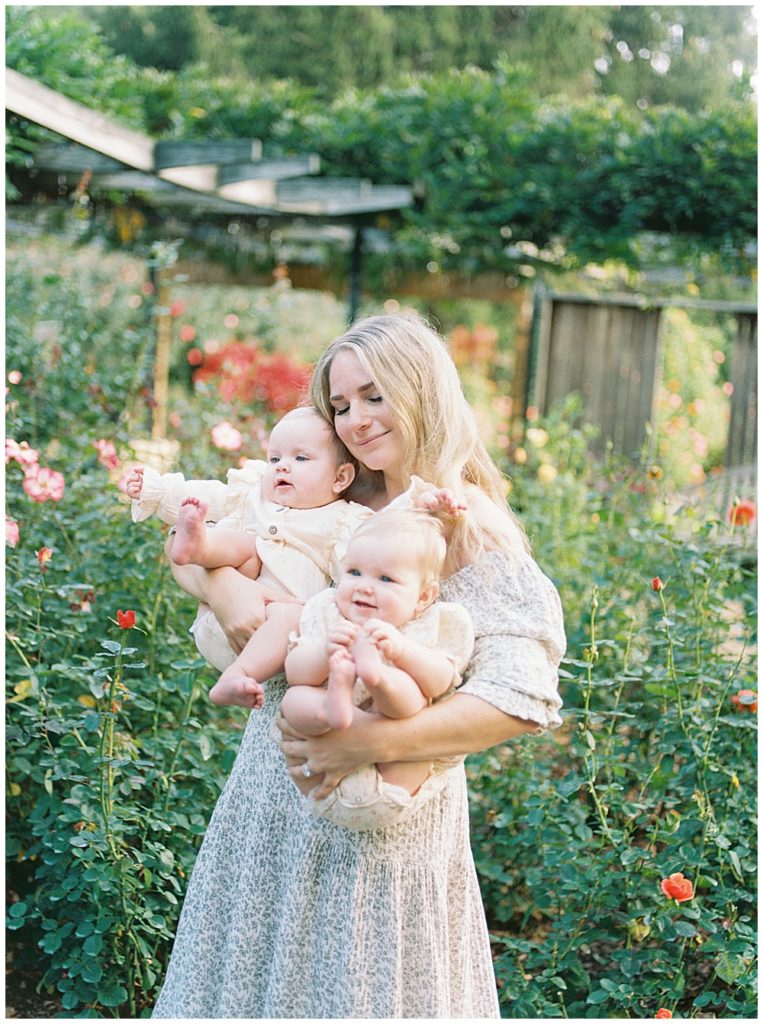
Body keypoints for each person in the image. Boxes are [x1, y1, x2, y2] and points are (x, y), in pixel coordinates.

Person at [152, 313, 565, 1019]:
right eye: (340, 405)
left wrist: (366, 742)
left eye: (375, 396)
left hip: (382, 830)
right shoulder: (332, 493)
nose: (355, 421)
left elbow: (517, 697)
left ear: (422, 391)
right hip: (272, 801)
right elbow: (201, 546)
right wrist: (224, 592)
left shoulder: (465, 530)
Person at [126, 406, 373, 705]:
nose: (282, 466)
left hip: (278, 640)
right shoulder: (253, 493)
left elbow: (362, 564)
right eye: (275, 458)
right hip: (217, 617)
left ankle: (238, 675)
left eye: (301, 458)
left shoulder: (341, 523)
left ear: (340, 477)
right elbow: (203, 495)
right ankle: (200, 546)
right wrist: (156, 489)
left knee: (296, 614)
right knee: (247, 546)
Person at [282, 506, 474, 829]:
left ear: (424, 597)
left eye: (386, 579)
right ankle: (333, 705)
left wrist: (400, 652)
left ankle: (378, 677)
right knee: (295, 698)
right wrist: (324, 654)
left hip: (392, 778)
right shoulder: (330, 614)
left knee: (414, 697)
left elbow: (441, 681)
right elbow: (295, 671)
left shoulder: (431, 625)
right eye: (354, 572)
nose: (364, 586)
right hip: (321, 764)